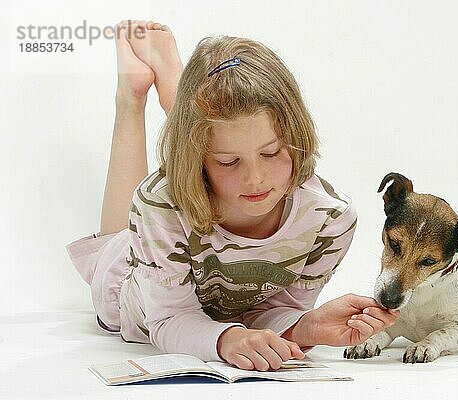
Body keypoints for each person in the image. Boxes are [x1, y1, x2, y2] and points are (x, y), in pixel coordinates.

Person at [66, 20, 398, 371]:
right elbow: (169, 321)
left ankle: (182, 104)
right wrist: (226, 340)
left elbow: (266, 315)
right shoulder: (158, 206)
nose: (255, 179)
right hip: (133, 275)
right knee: (114, 243)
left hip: (199, 246)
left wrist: (305, 325)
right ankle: (131, 95)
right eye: (228, 162)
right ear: (203, 161)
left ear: (297, 137)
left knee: (214, 130)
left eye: (271, 153)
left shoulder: (330, 219)